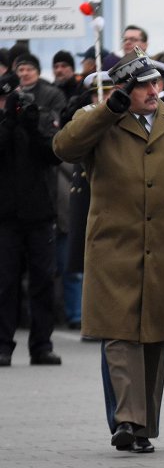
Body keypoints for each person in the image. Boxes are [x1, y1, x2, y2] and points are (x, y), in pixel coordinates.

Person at [52, 49, 164, 453]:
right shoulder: (96, 122)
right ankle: (127, 420)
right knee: (120, 336)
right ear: (123, 87)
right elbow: (64, 147)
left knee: (157, 341)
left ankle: (142, 427)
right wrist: (109, 109)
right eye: (141, 84)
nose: (151, 90)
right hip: (114, 248)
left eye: (154, 82)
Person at [0, 71, 63, 367]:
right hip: (5, 217)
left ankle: (42, 345)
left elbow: (53, 155)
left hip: (39, 214)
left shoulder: (37, 116)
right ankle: (2, 345)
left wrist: (31, 124)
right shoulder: (4, 122)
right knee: (5, 283)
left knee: (43, 283)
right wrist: (9, 123)